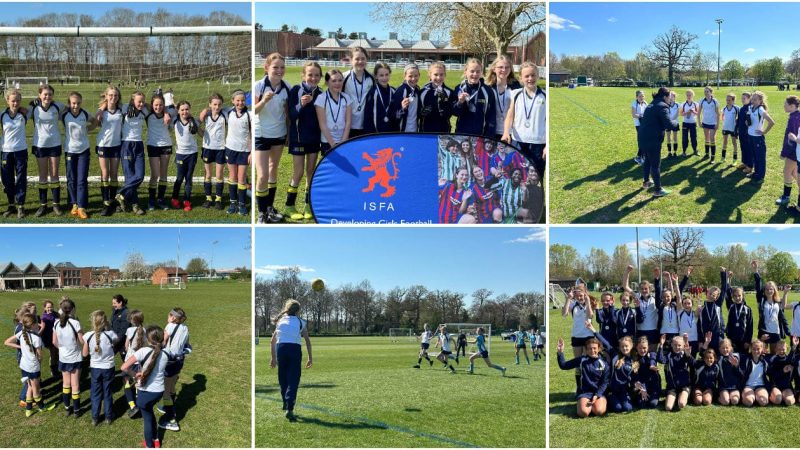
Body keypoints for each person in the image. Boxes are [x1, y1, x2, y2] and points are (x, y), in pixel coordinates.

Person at [282, 62, 322, 222]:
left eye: (317, 75)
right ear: (303, 75)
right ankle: (289, 206)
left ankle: (308, 205)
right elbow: (291, 115)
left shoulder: (321, 93)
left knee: (310, 171)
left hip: (314, 139)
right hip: (298, 138)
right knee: (298, 173)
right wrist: (301, 105)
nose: (313, 78)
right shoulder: (296, 90)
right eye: (310, 74)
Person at [254, 53, 290, 223]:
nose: (279, 70)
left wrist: (289, 134)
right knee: (261, 176)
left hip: (279, 134)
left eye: (282, 67)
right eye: (275, 67)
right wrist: (263, 101)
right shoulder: (258, 86)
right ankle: (261, 213)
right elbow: (252, 111)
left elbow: (289, 114)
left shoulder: (288, 87)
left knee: (273, 170)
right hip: (260, 135)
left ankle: (269, 208)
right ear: (267, 67)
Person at [121, 325, 168, 448]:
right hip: (159, 392)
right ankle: (156, 439)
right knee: (149, 412)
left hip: (146, 392)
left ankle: (149, 445)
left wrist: (134, 374)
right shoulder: (165, 354)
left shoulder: (142, 351)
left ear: (148, 338)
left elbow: (123, 367)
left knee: (147, 418)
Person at [4, 312, 56, 416]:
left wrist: (22, 348)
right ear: (33, 325)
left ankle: (28, 409)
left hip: (24, 365)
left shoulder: (22, 333)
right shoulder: (36, 338)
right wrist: (39, 362)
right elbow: (40, 356)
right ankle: (42, 407)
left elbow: (7, 342)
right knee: (36, 389)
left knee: (30, 387)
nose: (39, 324)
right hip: (33, 367)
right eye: (37, 322)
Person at [501, 62, 546, 180]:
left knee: (536, 178)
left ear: (538, 76)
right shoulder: (515, 94)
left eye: (533, 75)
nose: (530, 78)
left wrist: (548, 145)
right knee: (518, 176)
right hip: (518, 142)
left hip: (538, 144)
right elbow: (510, 116)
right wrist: (506, 132)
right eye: (526, 76)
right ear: (521, 78)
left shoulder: (545, 96)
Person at [270, 299, 312, 422]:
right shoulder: (301, 322)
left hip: (281, 349)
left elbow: (272, 341)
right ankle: (290, 408)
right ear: (298, 311)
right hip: (294, 350)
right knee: (293, 380)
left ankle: (285, 401)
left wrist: (273, 358)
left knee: (283, 378)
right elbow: (307, 341)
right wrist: (310, 357)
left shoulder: (280, 321)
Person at [28, 84, 65, 217]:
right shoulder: (33, 107)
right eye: (45, 94)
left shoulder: (58, 106)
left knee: (54, 174)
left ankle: (56, 204)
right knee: (43, 176)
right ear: (39, 95)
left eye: (50, 94)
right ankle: (43, 205)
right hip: (40, 145)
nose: (47, 96)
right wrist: (30, 102)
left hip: (55, 144)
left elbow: (71, 110)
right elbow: (21, 113)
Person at [638, 87, 679, 197]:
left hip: (642, 137)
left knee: (647, 160)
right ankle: (658, 190)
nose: (670, 99)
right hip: (652, 139)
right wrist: (677, 123)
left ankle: (646, 182)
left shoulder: (652, 103)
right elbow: (669, 124)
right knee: (655, 165)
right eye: (669, 97)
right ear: (665, 97)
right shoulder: (662, 106)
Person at [62, 91, 97, 219]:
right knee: (71, 179)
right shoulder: (64, 114)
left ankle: (82, 206)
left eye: (78, 103)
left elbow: (94, 122)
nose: (75, 106)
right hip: (70, 150)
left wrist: (88, 129)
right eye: (73, 103)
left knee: (81, 179)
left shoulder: (85, 113)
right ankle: (74, 204)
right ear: (69, 103)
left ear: (81, 103)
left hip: (84, 151)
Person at [82, 310, 118, 426]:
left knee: (96, 393)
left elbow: (84, 354)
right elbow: (116, 341)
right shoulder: (110, 334)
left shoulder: (88, 336)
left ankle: (95, 418)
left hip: (95, 368)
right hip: (108, 367)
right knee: (107, 392)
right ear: (105, 321)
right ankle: (108, 417)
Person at [556, 336, 608, 417]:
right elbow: (564, 365)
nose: (592, 350)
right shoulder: (581, 360)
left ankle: (599, 402)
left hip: (598, 392)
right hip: (585, 392)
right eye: (590, 348)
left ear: (599, 349)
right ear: (586, 350)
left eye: (594, 348)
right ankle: (583, 402)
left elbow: (604, 382)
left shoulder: (604, 363)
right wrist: (560, 352)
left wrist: (597, 395)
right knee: (583, 413)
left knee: (599, 411)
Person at [117, 91, 149, 215]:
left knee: (139, 176)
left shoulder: (145, 110)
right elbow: (112, 102)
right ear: (132, 101)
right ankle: (135, 205)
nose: (141, 104)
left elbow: (154, 106)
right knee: (130, 176)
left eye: (143, 101)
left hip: (139, 145)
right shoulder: (125, 107)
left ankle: (120, 194)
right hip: (126, 144)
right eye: (138, 101)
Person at [158, 308, 190, 432]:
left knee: (165, 391)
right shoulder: (185, 328)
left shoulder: (170, 326)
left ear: (173, 317)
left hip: (169, 361)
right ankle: (168, 408)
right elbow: (186, 344)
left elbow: (163, 342)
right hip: (179, 361)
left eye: (169, 314)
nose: (167, 316)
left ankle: (171, 420)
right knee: (171, 386)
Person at [1, 89, 29, 218]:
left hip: (21, 151)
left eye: (18, 100)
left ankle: (20, 206)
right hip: (6, 152)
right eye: (13, 100)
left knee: (21, 178)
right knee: (7, 180)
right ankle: (11, 204)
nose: (15, 103)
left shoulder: (24, 114)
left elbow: (39, 105)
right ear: (7, 101)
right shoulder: (2, 115)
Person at [95, 86, 123, 216]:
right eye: (110, 95)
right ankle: (105, 203)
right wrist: (101, 109)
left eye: (116, 95)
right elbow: (94, 124)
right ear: (106, 96)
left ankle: (113, 201)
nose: (113, 97)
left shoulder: (122, 110)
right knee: (105, 174)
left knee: (114, 174)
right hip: (103, 145)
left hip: (116, 145)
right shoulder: (101, 112)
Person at [53, 297, 84, 416]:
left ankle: (67, 408)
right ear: (73, 310)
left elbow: (54, 342)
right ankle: (76, 410)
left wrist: (62, 349)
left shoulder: (56, 323)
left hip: (63, 357)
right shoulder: (75, 323)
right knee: (75, 384)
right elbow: (81, 341)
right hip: (75, 357)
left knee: (66, 384)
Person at [224, 90, 252, 216]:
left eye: (242, 100)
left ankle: (241, 204)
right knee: (232, 176)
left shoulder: (249, 115)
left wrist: (251, 152)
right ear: (233, 101)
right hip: (230, 149)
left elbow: (253, 134)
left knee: (241, 177)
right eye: (238, 100)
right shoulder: (228, 112)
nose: (240, 103)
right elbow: (212, 109)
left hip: (244, 151)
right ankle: (233, 203)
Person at [453, 58, 496, 138]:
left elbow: (491, 115)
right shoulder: (459, 89)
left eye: (478, 71)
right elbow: (455, 113)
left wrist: (488, 135)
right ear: (465, 72)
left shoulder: (487, 91)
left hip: (480, 135)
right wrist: (460, 103)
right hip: (461, 133)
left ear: (481, 73)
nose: (475, 74)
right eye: (472, 71)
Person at [198, 93, 227, 211]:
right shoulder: (206, 115)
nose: (217, 106)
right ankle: (209, 198)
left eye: (219, 104)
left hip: (220, 148)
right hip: (207, 148)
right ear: (210, 104)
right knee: (208, 174)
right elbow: (198, 128)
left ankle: (218, 199)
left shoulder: (225, 114)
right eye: (214, 104)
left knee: (219, 175)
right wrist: (198, 130)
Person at [145, 93, 173, 211]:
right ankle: (151, 199)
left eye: (161, 105)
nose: (158, 107)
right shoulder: (148, 114)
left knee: (163, 174)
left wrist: (166, 112)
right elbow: (139, 103)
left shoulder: (169, 114)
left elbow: (178, 108)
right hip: (153, 146)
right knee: (155, 174)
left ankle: (160, 199)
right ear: (152, 105)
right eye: (156, 105)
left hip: (166, 145)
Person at [169, 101, 200, 211]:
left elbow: (201, 133)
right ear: (178, 111)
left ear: (190, 109)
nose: (184, 111)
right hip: (180, 154)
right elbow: (168, 117)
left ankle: (187, 201)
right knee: (179, 177)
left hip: (192, 154)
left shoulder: (194, 121)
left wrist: (197, 126)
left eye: (186, 109)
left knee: (189, 178)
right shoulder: (175, 121)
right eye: (182, 109)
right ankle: (174, 198)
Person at [314, 69, 351, 155]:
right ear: (327, 82)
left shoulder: (346, 98)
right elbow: (322, 124)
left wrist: (343, 141)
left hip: (343, 140)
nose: (337, 83)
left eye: (340, 80)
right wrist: (333, 145)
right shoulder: (321, 98)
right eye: (333, 81)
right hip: (327, 141)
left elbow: (348, 121)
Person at [487, 55, 521, 142]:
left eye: (507, 67)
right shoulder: (488, 87)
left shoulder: (516, 86)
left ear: (510, 69)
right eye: (500, 67)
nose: (504, 70)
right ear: (494, 69)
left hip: (512, 132)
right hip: (492, 131)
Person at [342, 47, 374, 138]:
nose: (360, 61)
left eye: (363, 59)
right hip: (348, 124)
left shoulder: (371, 78)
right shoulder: (344, 77)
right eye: (357, 59)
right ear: (351, 60)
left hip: (366, 124)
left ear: (366, 60)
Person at [657, 334, 693, 411]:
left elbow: (692, 362)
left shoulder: (685, 355)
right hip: (672, 387)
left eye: (679, 345)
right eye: (675, 345)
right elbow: (661, 359)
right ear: (672, 345)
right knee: (668, 407)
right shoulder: (669, 356)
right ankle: (674, 396)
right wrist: (661, 345)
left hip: (684, 386)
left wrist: (688, 353)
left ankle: (685, 393)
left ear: (683, 346)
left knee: (681, 404)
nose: (677, 347)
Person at [745, 91, 775, 183]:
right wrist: (747, 123)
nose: (753, 101)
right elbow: (750, 120)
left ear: (760, 101)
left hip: (758, 138)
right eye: (752, 99)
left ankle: (761, 177)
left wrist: (764, 131)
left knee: (760, 157)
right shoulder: (750, 107)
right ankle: (756, 173)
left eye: (755, 99)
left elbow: (771, 122)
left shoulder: (760, 109)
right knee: (754, 156)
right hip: (750, 136)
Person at [418, 62, 454, 133]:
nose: (439, 77)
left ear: (445, 75)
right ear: (430, 75)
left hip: (444, 131)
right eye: (435, 74)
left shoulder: (449, 92)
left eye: (441, 75)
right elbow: (416, 113)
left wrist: (444, 109)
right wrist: (421, 113)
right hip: (426, 131)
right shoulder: (422, 92)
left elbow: (451, 112)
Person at [778, 95, 800, 206]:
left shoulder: (794, 118)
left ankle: (786, 197)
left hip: (793, 151)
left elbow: (791, 139)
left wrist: (784, 153)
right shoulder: (795, 116)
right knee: (794, 172)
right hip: (795, 151)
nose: (783, 106)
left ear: (792, 106)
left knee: (787, 171)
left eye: (785, 104)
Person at [362, 62, 396, 134]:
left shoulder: (393, 91)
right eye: (381, 75)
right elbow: (368, 117)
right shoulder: (372, 93)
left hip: (391, 133)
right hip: (376, 134)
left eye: (387, 75)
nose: (384, 78)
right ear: (376, 76)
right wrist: (370, 134)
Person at [123, 309, 145, 418]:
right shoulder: (145, 330)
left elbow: (126, 346)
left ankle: (132, 406)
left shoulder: (130, 330)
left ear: (133, 320)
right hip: (141, 361)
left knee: (127, 382)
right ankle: (140, 406)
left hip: (130, 360)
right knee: (138, 383)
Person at [390, 64, 421, 133]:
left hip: (415, 130)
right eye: (410, 76)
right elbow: (393, 115)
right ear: (405, 76)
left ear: (419, 75)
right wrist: (402, 108)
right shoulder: (401, 90)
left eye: (416, 76)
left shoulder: (417, 90)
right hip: (402, 132)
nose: (413, 79)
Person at [740, 340, 769, 407]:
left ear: (762, 349)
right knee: (749, 402)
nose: (756, 351)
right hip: (748, 386)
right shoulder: (746, 359)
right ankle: (750, 397)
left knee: (763, 402)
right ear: (750, 349)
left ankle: (756, 396)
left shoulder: (765, 360)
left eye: (758, 349)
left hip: (760, 386)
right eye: (753, 349)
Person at [717, 338, 743, 406]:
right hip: (724, 386)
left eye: (727, 348)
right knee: (725, 402)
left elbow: (741, 374)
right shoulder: (718, 359)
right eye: (723, 348)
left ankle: (734, 395)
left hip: (734, 386)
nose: (725, 350)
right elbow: (704, 355)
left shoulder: (736, 357)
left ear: (731, 348)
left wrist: (736, 366)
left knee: (735, 401)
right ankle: (718, 397)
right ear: (719, 349)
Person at [697, 86, 720, 161]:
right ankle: (707, 154)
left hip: (713, 123)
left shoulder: (715, 101)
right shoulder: (702, 100)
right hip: (705, 122)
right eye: (705, 91)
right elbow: (699, 112)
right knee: (706, 138)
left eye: (707, 91)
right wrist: (699, 122)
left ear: (711, 92)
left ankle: (712, 157)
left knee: (712, 138)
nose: (706, 93)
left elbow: (718, 113)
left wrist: (718, 124)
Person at [720, 93, 739, 165]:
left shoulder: (736, 108)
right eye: (727, 100)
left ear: (733, 100)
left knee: (734, 143)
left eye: (729, 100)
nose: (728, 101)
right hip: (725, 128)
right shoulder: (724, 109)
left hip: (733, 129)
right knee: (725, 142)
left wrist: (737, 126)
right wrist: (724, 120)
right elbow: (721, 117)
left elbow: (739, 118)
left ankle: (735, 159)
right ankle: (723, 157)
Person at [110, 294, 130, 363]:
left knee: (126, 360)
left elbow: (123, 331)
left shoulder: (125, 313)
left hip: (122, 342)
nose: (113, 305)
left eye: (114, 303)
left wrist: (114, 342)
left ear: (120, 302)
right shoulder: (115, 310)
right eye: (112, 303)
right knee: (108, 357)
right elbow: (112, 323)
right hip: (115, 339)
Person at [679, 89, 698, 156]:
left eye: (690, 95)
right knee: (685, 138)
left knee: (694, 137)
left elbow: (698, 113)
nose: (689, 96)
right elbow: (680, 114)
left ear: (693, 95)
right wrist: (687, 112)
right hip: (685, 123)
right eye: (687, 95)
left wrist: (693, 111)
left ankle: (695, 150)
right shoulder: (683, 104)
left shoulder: (696, 104)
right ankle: (684, 151)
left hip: (693, 123)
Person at [631, 90, 647, 164]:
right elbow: (634, 115)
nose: (641, 97)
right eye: (640, 96)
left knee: (644, 140)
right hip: (638, 124)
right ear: (636, 97)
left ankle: (641, 156)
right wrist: (641, 116)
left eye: (642, 96)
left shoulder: (645, 103)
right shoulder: (634, 103)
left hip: (645, 124)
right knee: (642, 140)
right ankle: (640, 157)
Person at [666, 90, 679, 157]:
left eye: (672, 96)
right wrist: (668, 120)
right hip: (668, 123)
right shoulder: (666, 105)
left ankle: (675, 152)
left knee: (675, 137)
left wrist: (671, 120)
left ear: (674, 97)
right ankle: (669, 152)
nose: (671, 98)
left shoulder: (677, 105)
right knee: (668, 137)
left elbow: (677, 114)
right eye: (670, 96)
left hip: (675, 123)